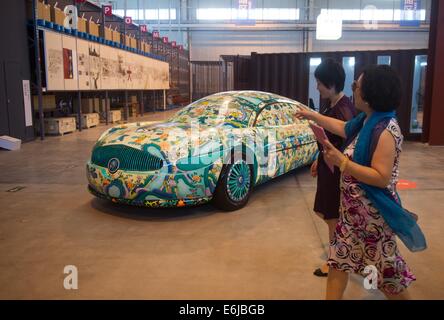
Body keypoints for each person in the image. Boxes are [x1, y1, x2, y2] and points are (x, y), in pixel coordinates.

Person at [296, 65, 417, 300]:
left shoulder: (386, 130)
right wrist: (312, 115)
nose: (353, 91)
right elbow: (341, 127)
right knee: (338, 266)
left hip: (373, 222)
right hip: (351, 218)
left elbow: (381, 177)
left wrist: (342, 162)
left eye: (357, 87)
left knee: (388, 280)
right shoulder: (365, 121)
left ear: (370, 94)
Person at [311, 59, 356, 277]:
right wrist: (317, 159)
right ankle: (339, 255)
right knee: (329, 215)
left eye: (319, 83)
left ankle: (335, 261)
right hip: (327, 167)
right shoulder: (333, 105)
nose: (317, 87)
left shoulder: (344, 109)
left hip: (336, 172)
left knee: (333, 217)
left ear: (331, 83)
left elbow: (346, 143)